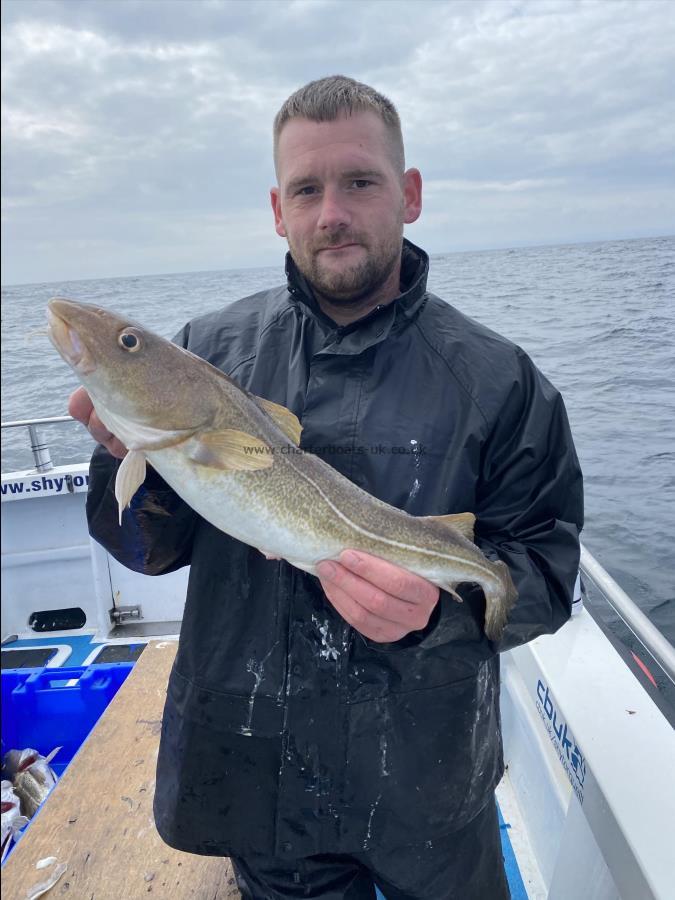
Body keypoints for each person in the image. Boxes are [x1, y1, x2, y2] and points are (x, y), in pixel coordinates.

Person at [70, 76, 583, 899]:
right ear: (278, 210)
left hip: (430, 779)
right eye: (305, 190)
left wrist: (434, 622)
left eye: (359, 182)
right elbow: (145, 553)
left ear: (408, 195)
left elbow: (548, 572)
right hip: (261, 780)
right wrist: (125, 454)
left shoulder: (500, 381)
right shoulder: (207, 354)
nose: (330, 213)